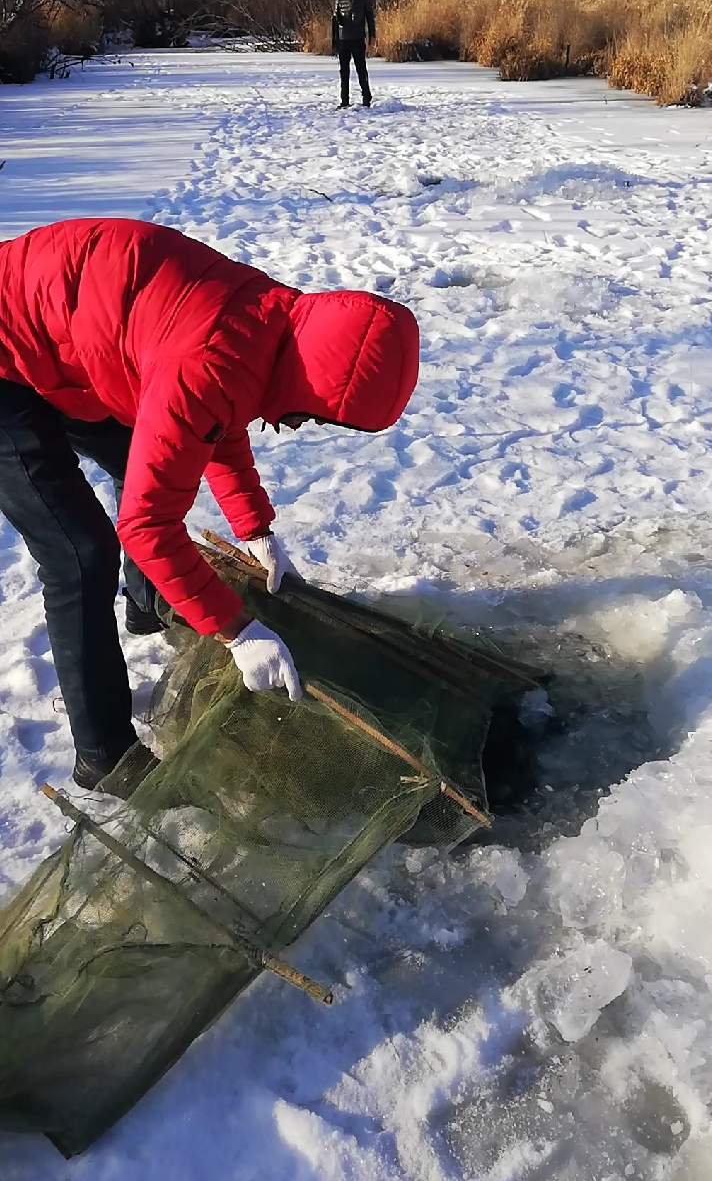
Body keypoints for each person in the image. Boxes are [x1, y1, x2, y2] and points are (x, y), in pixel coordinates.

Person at [0, 218, 419, 789]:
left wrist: (256, 528)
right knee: (80, 552)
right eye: (319, 416)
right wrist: (234, 629)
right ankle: (105, 756)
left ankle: (147, 608)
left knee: (139, 459)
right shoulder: (208, 362)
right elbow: (147, 522)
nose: (301, 426)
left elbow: (216, 416)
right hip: (7, 355)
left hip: (67, 339)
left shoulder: (268, 320)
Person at [332, 0, 376, 109]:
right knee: (344, 71)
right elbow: (334, 18)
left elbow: (369, 15)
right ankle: (344, 100)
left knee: (361, 69)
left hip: (357, 37)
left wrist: (372, 35)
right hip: (343, 38)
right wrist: (334, 40)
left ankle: (366, 97)